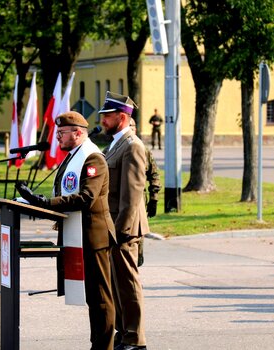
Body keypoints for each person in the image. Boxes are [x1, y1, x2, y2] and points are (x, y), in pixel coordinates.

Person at [15, 111, 116, 350]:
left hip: (94, 236)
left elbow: (85, 198)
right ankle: (98, 344)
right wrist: (33, 202)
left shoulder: (93, 159)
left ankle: (104, 346)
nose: (57, 137)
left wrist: (43, 203)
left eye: (62, 133)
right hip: (78, 232)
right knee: (92, 296)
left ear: (78, 133)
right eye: (57, 132)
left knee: (100, 297)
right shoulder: (72, 157)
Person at [99, 91, 149, 350]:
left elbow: (131, 196)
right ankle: (123, 332)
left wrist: (119, 231)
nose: (103, 121)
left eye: (107, 116)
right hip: (113, 226)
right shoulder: (115, 144)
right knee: (117, 285)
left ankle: (134, 338)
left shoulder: (133, 146)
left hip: (124, 228)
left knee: (128, 285)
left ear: (121, 117)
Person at [129, 118, 161, 266]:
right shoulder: (112, 149)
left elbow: (154, 175)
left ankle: (136, 267)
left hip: (139, 201)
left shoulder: (143, 149)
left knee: (137, 236)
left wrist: (154, 199)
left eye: (132, 126)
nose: (129, 129)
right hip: (117, 202)